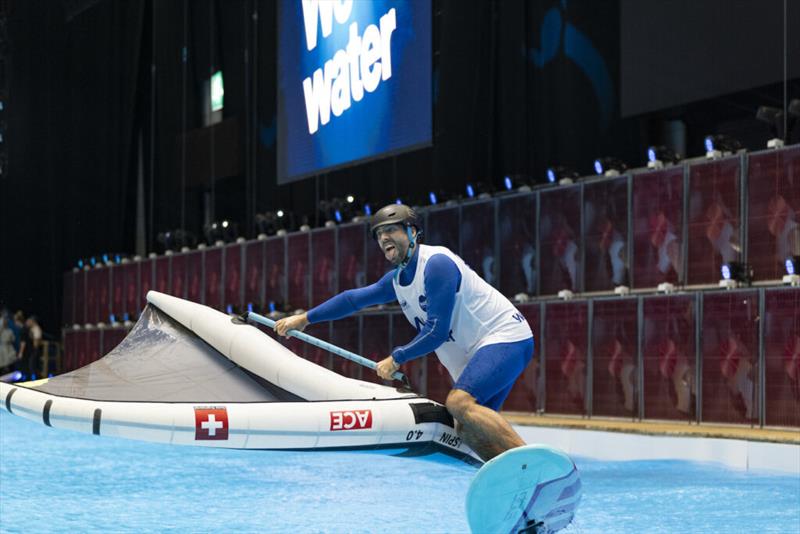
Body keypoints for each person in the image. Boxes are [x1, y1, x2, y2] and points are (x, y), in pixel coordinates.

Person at [275, 204, 534, 461]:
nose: (383, 237)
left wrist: (397, 357)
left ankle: (532, 463)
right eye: (378, 234)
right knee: (466, 431)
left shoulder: (436, 264)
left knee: (458, 403)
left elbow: (437, 330)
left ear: (412, 232)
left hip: (505, 337)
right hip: (478, 350)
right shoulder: (398, 280)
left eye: (390, 230)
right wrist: (305, 319)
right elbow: (353, 299)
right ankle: (517, 479)